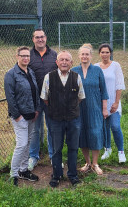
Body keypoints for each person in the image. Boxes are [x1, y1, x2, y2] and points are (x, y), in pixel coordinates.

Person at [41, 50, 85, 187]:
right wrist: (58, 109)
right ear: (57, 62)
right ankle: (57, 175)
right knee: (56, 149)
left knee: (73, 147)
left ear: (71, 63)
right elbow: (45, 99)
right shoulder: (49, 77)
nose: (64, 62)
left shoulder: (77, 77)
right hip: (55, 119)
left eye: (67, 60)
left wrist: (69, 109)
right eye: (62, 60)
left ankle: (72, 175)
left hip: (73, 119)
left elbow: (80, 98)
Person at [4, 46, 41, 186]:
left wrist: (37, 110)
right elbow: (10, 97)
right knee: (21, 144)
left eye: (28, 56)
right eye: (23, 56)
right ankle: (13, 174)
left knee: (28, 143)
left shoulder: (30, 72)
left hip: (32, 114)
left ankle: (24, 170)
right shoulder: (11, 74)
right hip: (20, 116)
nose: (25, 58)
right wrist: (17, 115)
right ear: (17, 56)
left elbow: (35, 92)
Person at [72, 44, 108, 175]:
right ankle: (87, 163)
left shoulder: (97, 71)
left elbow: (104, 91)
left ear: (91, 56)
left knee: (95, 133)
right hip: (79, 108)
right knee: (82, 134)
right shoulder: (74, 71)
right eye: (82, 54)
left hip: (95, 108)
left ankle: (95, 163)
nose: (84, 56)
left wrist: (104, 109)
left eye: (87, 54)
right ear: (79, 56)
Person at [27, 29, 59, 171]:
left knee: (52, 128)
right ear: (33, 39)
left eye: (42, 37)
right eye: (37, 37)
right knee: (35, 129)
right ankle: (33, 156)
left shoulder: (54, 55)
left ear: (46, 38)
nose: (40, 39)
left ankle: (53, 156)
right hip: (35, 100)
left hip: (51, 99)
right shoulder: (28, 55)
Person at [95, 43, 127, 163]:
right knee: (104, 128)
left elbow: (119, 84)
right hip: (100, 103)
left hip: (113, 103)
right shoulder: (96, 67)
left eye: (107, 52)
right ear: (99, 53)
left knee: (115, 126)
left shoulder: (115, 65)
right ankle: (107, 149)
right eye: (102, 52)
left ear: (110, 53)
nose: (104, 54)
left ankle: (121, 152)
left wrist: (116, 102)